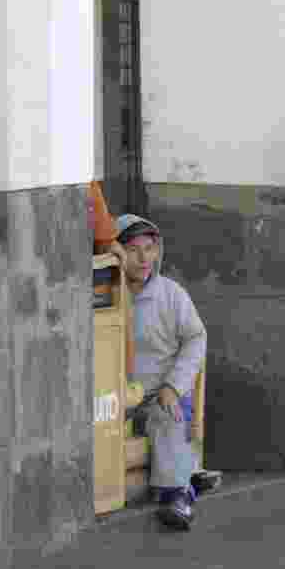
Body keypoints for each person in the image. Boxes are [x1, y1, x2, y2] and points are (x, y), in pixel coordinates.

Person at [116, 214, 208, 530]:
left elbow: (196, 339)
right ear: (116, 253)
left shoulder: (171, 294)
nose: (143, 258)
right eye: (132, 249)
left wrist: (174, 385)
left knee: (169, 417)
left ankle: (177, 495)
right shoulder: (104, 294)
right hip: (117, 397)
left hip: (160, 392)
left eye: (149, 248)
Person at [89, 182, 126, 264]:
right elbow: (105, 242)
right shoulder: (89, 183)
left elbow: (105, 242)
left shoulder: (90, 184)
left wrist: (108, 243)